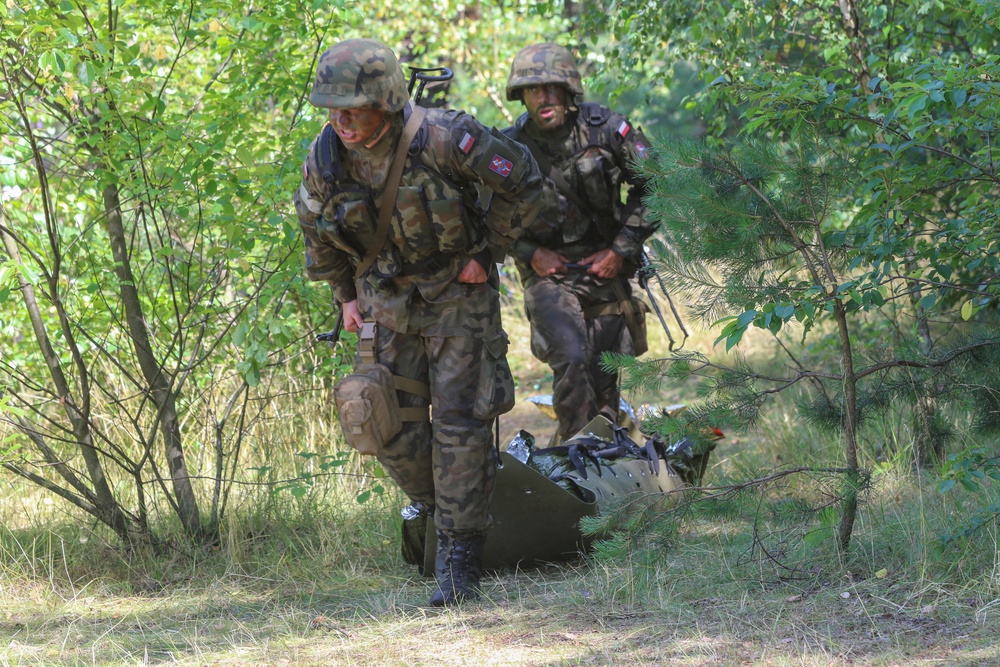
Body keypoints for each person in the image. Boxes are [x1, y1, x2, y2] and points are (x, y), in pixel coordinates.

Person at [293, 38, 542, 606]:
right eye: (332, 108)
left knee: (460, 423)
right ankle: (440, 509)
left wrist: (491, 251)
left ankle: (458, 555)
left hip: (457, 292)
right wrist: (343, 295)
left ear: (385, 98)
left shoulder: (446, 137)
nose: (341, 120)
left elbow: (523, 180)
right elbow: (311, 223)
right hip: (385, 300)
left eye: (352, 107)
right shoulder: (327, 155)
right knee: (376, 419)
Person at [502, 43, 657, 445]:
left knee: (604, 381)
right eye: (534, 91)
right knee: (571, 358)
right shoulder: (506, 147)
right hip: (547, 276)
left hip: (606, 270)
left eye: (553, 88)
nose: (544, 98)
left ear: (570, 91)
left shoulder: (607, 130)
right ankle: (574, 458)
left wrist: (621, 249)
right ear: (521, 95)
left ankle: (603, 463)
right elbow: (482, 213)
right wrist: (530, 253)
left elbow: (657, 185)